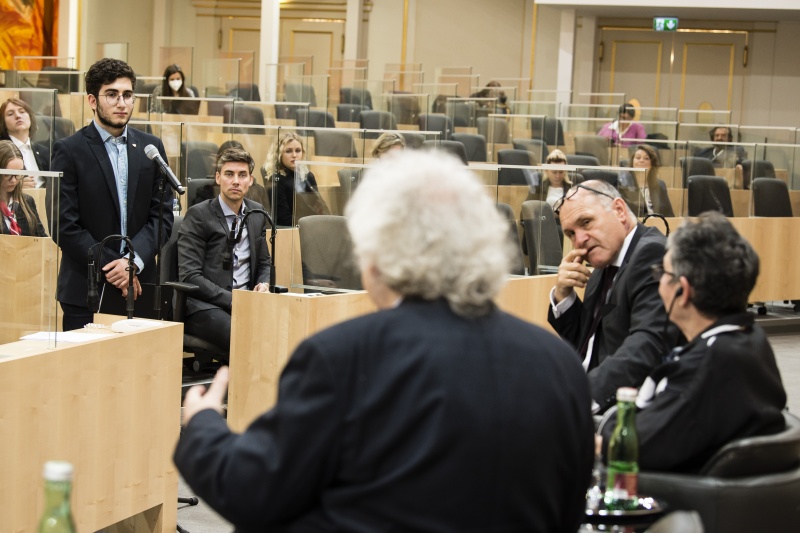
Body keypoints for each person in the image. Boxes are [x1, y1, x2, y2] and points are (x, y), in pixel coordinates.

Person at [174, 150, 595, 533]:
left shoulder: (341, 358)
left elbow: (256, 492)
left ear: (374, 258)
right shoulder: (558, 364)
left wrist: (204, 425)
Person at [598, 212, 786, 473]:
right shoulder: (750, 338)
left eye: (660, 272)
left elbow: (629, 446)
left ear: (681, 291)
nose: (657, 280)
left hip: (678, 496)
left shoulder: (703, 365)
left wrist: (602, 431)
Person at [51, 58, 174, 331]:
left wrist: (133, 262)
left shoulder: (150, 147)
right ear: (92, 101)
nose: (122, 103)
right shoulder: (69, 150)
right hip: (86, 288)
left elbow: (162, 216)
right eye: (112, 95)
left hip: (142, 285)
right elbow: (63, 224)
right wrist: (115, 268)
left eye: (128, 95)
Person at [548, 180, 675, 413]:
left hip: (623, 409)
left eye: (586, 222)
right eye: (570, 234)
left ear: (619, 210)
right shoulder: (602, 267)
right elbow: (586, 344)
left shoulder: (651, 253)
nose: (580, 240)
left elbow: (647, 346)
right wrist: (563, 294)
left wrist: (579, 397)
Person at [178, 147, 270, 351]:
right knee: (243, 335)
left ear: (251, 180)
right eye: (229, 174)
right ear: (218, 178)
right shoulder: (198, 215)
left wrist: (264, 283)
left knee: (287, 327)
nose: (236, 181)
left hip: (248, 301)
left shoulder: (256, 213)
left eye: (242, 175)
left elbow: (264, 262)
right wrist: (232, 300)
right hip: (205, 306)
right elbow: (189, 276)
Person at [264, 132, 328, 227]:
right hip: (291, 230)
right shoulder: (276, 179)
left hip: (312, 226)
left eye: (298, 151)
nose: (294, 155)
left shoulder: (308, 176)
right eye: (288, 151)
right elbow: (283, 218)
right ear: (279, 154)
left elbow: (320, 207)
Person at [0, 97, 50, 186]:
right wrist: (15, 186)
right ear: (3, 122)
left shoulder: (45, 151)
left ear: (30, 117)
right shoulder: (1, 150)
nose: (18, 116)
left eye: (22, 112)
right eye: (10, 114)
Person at [0, 140, 46, 236]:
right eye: (7, 175)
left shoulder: (27, 201)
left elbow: (41, 239)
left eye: (18, 174)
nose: (13, 180)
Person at [629, 144, 674, 217]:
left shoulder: (660, 185)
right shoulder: (625, 184)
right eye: (638, 157)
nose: (641, 161)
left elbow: (669, 214)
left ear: (652, 164)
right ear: (632, 162)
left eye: (646, 158)